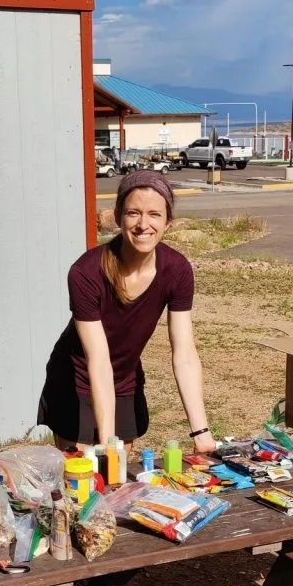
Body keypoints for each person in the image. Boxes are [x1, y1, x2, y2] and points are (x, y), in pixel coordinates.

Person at [37, 170, 215, 455]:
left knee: (121, 471)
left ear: (168, 221)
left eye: (154, 214)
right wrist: (108, 441)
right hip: (77, 378)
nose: (143, 224)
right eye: (134, 213)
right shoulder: (86, 273)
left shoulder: (177, 270)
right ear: (118, 216)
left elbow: (184, 354)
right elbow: (98, 361)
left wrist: (201, 433)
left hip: (125, 378)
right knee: (83, 474)